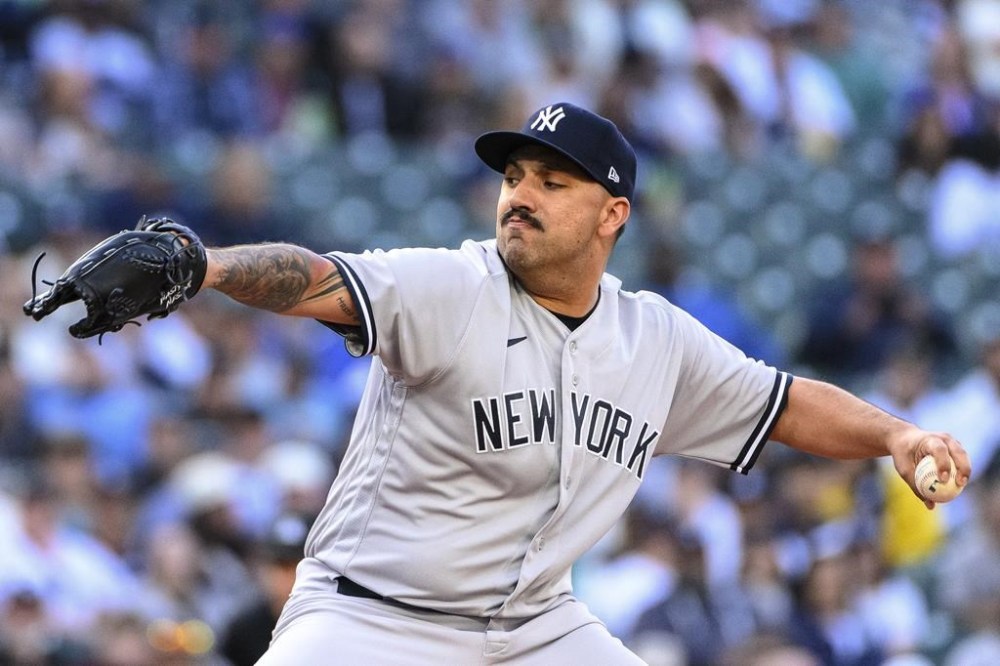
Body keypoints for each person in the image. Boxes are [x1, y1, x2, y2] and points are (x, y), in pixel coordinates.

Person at [38, 103, 974, 664]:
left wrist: (896, 434)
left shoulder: (655, 338)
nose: (520, 193)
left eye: (552, 182)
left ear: (613, 215)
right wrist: (201, 262)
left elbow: (783, 403)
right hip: (375, 617)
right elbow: (314, 276)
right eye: (515, 174)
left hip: (534, 630)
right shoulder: (455, 285)